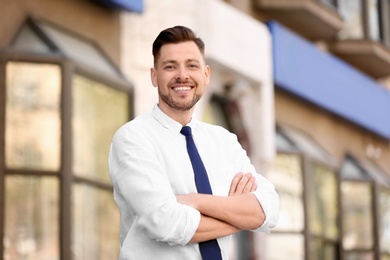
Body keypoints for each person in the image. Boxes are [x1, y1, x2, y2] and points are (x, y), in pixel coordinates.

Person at [108, 25, 279, 260]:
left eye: (192, 65)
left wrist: (196, 201)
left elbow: (268, 208)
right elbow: (166, 222)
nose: (182, 75)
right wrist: (238, 216)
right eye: (170, 66)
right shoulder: (133, 139)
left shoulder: (224, 142)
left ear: (206, 74)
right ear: (154, 76)